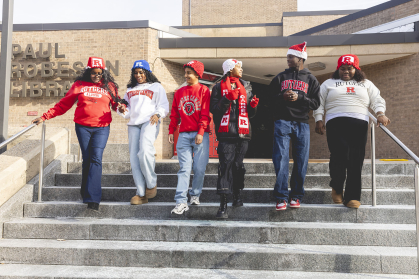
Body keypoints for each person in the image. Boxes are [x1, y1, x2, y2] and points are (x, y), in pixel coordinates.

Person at [31, 57, 126, 211]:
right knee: (87, 158)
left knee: (96, 158)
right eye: (94, 73)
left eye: (100, 73)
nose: (97, 76)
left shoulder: (109, 86)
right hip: (83, 127)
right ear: (88, 72)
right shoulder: (79, 85)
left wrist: (120, 108)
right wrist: (44, 116)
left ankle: (93, 198)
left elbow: (115, 103)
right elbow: (64, 104)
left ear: (104, 73)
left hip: (102, 127)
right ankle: (85, 191)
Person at [314, 54, 390, 209]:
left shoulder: (366, 83)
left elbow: (376, 99)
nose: (346, 72)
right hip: (335, 122)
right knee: (339, 155)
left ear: (356, 69)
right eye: (342, 69)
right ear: (338, 69)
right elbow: (319, 102)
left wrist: (380, 113)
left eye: (350, 68)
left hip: (359, 122)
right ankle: (336, 185)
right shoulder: (329, 83)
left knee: (356, 159)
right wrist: (318, 119)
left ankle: (352, 197)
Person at [268, 42, 321, 211]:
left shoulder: (311, 79)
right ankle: (281, 197)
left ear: (301, 58)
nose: (288, 60)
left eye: (291, 57)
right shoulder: (280, 77)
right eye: (288, 57)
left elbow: (316, 103)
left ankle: (296, 196)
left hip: (302, 124)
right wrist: (282, 96)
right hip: (282, 122)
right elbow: (269, 99)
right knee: (281, 159)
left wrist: (300, 98)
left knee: (301, 161)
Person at [210, 59, 258, 219]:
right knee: (225, 166)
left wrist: (253, 106)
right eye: (239, 67)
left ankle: (237, 194)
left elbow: (250, 114)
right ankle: (223, 204)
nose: (242, 69)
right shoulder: (217, 87)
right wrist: (227, 98)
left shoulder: (247, 86)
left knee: (238, 166)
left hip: (243, 134)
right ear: (230, 69)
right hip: (226, 134)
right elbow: (215, 110)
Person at [118, 60, 169, 205]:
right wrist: (122, 109)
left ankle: (151, 184)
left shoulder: (156, 86)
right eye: (136, 73)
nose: (138, 75)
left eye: (141, 72)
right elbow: (126, 111)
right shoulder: (129, 90)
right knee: (134, 158)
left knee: (145, 152)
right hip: (133, 124)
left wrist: (158, 114)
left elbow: (164, 105)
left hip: (150, 121)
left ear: (147, 72)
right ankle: (141, 193)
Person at [168, 60, 211, 214]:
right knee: (184, 169)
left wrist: (200, 131)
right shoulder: (179, 92)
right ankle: (181, 201)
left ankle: (195, 194)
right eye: (185, 72)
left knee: (199, 168)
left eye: (189, 73)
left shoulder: (204, 90)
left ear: (197, 74)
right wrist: (171, 130)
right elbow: (174, 114)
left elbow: (205, 114)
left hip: (201, 134)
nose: (185, 75)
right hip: (184, 135)